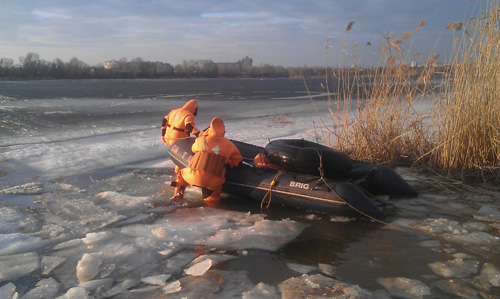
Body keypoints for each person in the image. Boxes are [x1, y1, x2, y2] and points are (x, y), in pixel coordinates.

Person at [171, 117, 243, 204]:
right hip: (213, 182)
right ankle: (212, 208)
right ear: (223, 131)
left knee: (181, 176)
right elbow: (237, 161)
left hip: (194, 176)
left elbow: (193, 149)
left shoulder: (202, 140)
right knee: (212, 199)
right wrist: (228, 161)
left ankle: (177, 197)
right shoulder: (231, 145)